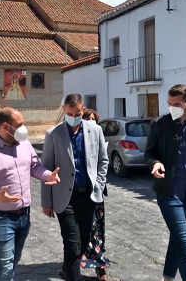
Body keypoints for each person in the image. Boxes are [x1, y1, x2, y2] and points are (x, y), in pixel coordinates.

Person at [0, 107, 60, 281]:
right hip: (0, 218)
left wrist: (47, 175)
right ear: (6, 127)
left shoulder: (25, 144)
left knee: (13, 263)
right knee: (5, 269)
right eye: (20, 125)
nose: (24, 128)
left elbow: (34, 166)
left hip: (24, 216)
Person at [144, 84, 186, 281]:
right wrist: (155, 164)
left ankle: (168, 277)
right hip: (169, 193)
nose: (172, 107)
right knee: (185, 245)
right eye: (169, 103)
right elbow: (149, 154)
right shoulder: (160, 124)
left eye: (176, 104)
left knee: (178, 238)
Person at [41, 94, 108, 281]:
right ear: (64, 110)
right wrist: (47, 201)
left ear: (83, 109)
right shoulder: (53, 134)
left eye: (77, 113)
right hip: (65, 198)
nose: (74, 117)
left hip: (88, 195)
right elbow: (46, 169)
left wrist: (99, 184)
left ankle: (66, 270)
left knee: (84, 241)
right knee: (72, 245)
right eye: (70, 113)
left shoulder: (95, 130)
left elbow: (103, 160)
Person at [81, 108, 109, 281]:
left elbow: (103, 161)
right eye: (86, 119)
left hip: (95, 193)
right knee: (77, 232)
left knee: (96, 230)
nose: (90, 122)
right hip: (76, 192)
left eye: (93, 119)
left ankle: (99, 267)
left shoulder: (98, 135)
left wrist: (99, 183)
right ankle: (69, 265)